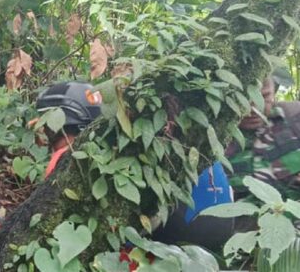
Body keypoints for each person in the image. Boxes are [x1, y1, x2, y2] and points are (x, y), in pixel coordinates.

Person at [36, 81, 234, 252]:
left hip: (181, 235)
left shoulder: (71, 156)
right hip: (224, 226)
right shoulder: (149, 133)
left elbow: (50, 220)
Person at [228, 77, 300, 200]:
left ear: (274, 92)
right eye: (246, 100)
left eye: (265, 97)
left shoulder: (294, 116)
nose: (254, 109)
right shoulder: (210, 139)